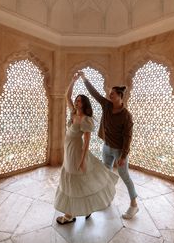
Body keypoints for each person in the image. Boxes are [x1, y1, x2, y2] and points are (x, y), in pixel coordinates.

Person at [54, 73, 118, 224]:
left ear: (84, 104)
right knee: (76, 180)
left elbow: (87, 142)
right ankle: (86, 208)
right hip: (68, 150)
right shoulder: (72, 113)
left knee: (74, 180)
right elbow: (66, 97)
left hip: (76, 151)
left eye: (80, 101)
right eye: (76, 100)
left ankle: (69, 215)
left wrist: (82, 160)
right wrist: (73, 80)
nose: (76, 103)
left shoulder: (86, 120)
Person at [79, 71, 138, 219]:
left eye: (112, 94)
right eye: (110, 93)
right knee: (105, 175)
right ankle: (106, 199)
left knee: (125, 176)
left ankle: (134, 205)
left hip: (119, 151)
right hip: (107, 147)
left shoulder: (126, 115)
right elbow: (95, 94)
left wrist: (123, 156)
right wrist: (85, 79)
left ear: (120, 96)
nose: (109, 95)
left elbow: (128, 137)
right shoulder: (106, 105)